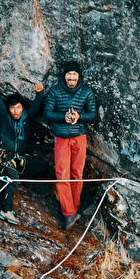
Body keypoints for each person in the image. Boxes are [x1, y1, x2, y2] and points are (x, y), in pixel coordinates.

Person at [41, 60, 97, 229]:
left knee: (77, 173)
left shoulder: (86, 91)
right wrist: (63, 117)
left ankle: (74, 208)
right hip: (61, 137)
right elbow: (47, 113)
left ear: (78, 76)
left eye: (74, 74)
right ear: (64, 75)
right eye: (69, 74)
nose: (71, 77)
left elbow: (93, 115)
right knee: (62, 174)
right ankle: (69, 213)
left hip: (79, 136)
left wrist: (79, 116)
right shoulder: (55, 91)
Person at [0, 77, 49, 225]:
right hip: (5, 155)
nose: (15, 111)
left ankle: (16, 173)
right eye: (12, 108)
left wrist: (40, 93)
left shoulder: (27, 117)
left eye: (18, 108)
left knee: (43, 165)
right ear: (9, 109)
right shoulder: (4, 117)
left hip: (20, 157)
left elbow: (36, 105)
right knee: (12, 176)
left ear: (22, 108)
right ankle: (6, 210)